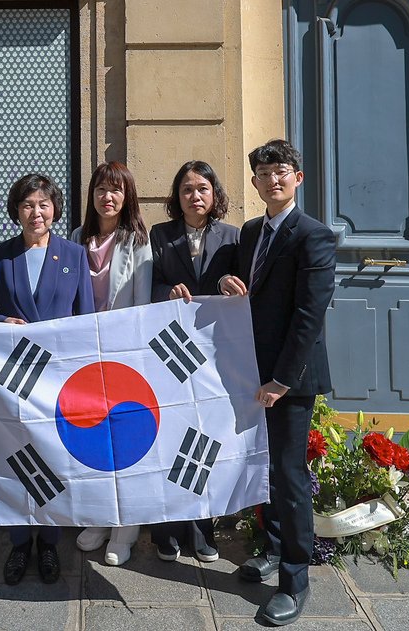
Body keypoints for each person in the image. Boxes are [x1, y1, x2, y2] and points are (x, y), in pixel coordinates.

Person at [219, 139, 336, 627]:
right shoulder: (249, 233)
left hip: (290, 379)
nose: (273, 180)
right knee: (261, 468)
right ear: (255, 183)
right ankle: (270, 549)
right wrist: (228, 281)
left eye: (281, 171)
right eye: (264, 174)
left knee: (289, 478)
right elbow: (249, 291)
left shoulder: (314, 236)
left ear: (298, 178)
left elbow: (309, 316)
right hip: (250, 371)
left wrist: (282, 380)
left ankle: (294, 578)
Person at [0, 173, 95, 585]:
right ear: (16, 211)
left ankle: (49, 542)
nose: (36, 212)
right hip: (15, 376)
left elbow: (86, 319)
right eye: (28, 205)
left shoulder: (74, 255)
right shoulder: (0, 256)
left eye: (43, 204)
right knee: (19, 457)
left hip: (60, 379)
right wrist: (0, 320)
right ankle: (19, 541)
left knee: (55, 458)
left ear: (55, 209)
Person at [147, 159, 240, 563]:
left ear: (214, 194)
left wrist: (225, 283)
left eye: (202, 188)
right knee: (169, 437)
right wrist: (167, 290)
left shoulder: (235, 236)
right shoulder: (159, 235)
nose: (195, 195)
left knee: (205, 438)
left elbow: (243, 282)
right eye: (187, 189)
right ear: (176, 196)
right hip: (170, 352)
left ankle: (203, 529)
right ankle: (166, 529)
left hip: (215, 355)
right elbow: (146, 285)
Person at [69, 161, 151, 567]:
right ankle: (100, 518)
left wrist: (130, 353)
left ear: (127, 196)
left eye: (116, 190)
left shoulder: (137, 241)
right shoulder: (74, 239)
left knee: (126, 444)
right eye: (102, 188)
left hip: (123, 358)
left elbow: (142, 305)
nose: (108, 196)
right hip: (85, 358)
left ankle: (125, 529)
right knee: (94, 443)